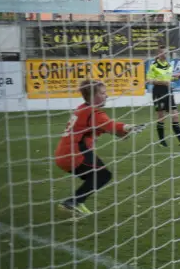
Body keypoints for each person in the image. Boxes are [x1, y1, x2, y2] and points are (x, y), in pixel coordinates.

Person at [55, 79, 145, 218]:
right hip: (76, 153)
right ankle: (72, 202)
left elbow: (101, 127)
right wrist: (127, 127)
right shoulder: (94, 113)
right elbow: (110, 124)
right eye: (103, 93)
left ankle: (77, 202)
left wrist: (119, 133)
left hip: (64, 154)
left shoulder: (82, 109)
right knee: (103, 175)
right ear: (92, 96)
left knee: (95, 177)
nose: (106, 96)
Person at [146, 46, 180, 147]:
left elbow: (169, 79)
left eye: (167, 53)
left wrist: (177, 77)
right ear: (159, 54)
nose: (166, 55)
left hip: (168, 91)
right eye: (164, 53)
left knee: (175, 115)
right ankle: (162, 141)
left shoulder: (168, 65)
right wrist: (162, 82)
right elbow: (148, 80)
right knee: (161, 117)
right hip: (158, 92)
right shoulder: (154, 65)